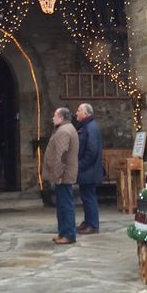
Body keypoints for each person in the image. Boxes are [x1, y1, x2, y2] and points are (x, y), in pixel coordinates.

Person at [43, 107, 79, 245]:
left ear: (61, 118)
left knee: (65, 205)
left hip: (63, 175)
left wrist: (57, 175)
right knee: (62, 205)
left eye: (55, 115)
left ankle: (68, 234)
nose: (53, 118)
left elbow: (61, 156)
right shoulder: (65, 129)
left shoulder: (64, 131)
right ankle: (63, 232)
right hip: (64, 174)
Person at [75, 103, 103, 235]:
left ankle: (92, 224)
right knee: (86, 197)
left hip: (88, 170)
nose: (76, 113)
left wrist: (80, 165)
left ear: (86, 113)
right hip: (87, 170)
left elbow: (91, 151)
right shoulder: (86, 126)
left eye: (79, 110)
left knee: (89, 197)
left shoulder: (90, 127)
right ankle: (88, 222)